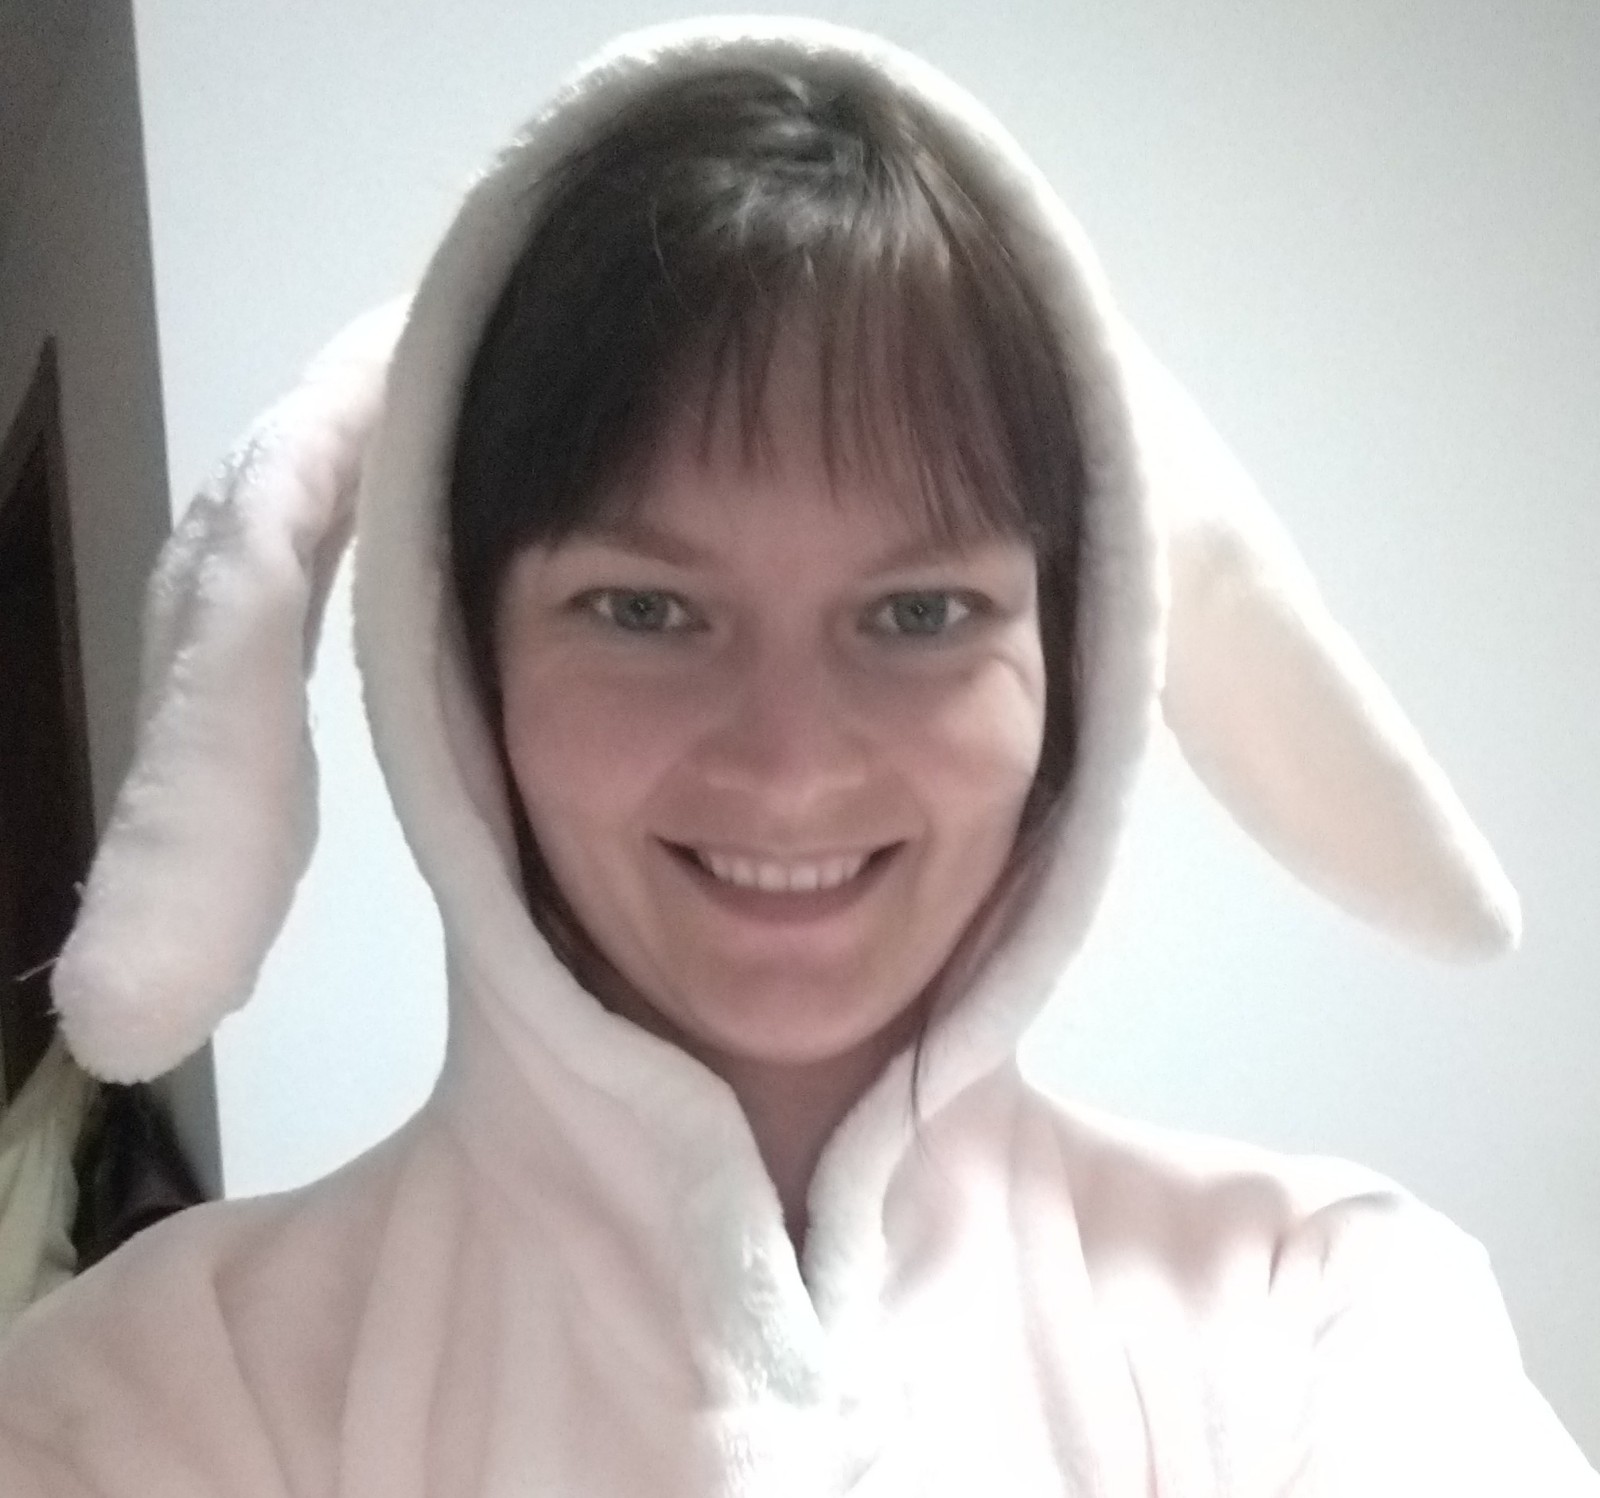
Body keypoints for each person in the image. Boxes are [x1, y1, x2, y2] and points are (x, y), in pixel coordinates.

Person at [2, 16, 1594, 1496]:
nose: (789, 763)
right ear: (462, 662)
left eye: (920, 611)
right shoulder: (153, 1395)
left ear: (1078, 660)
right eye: (644, 608)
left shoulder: (1324, 1317)